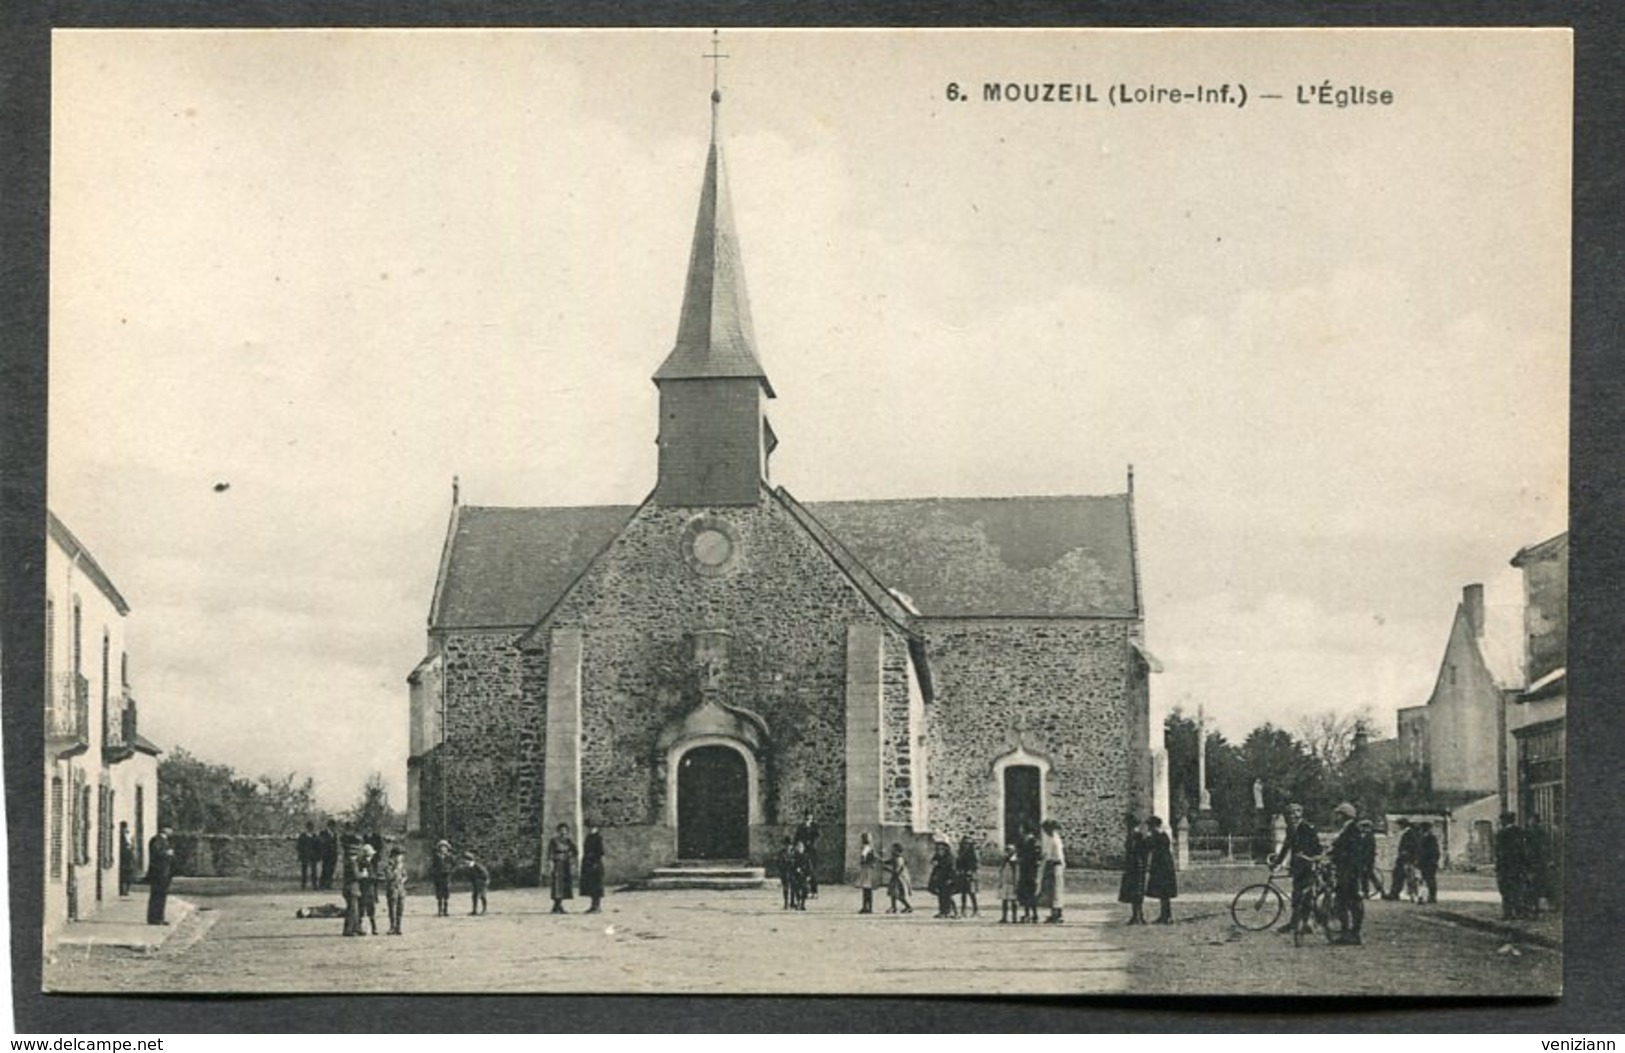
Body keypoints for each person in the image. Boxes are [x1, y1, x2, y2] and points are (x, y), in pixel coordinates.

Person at [1271, 802, 1322, 935]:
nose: (1292, 817)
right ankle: (1296, 923)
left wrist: (1308, 856)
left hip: (1308, 865)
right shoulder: (1291, 829)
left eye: (1295, 813)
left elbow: (1316, 847)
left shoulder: (1307, 828)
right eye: (1289, 814)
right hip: (1297, 866)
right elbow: (1287, 846)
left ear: (1300, 815)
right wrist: (1277, 861)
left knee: (1305, 895)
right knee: (1297, 895)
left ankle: (1307, 923)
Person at [1326, 802, 1366, 944]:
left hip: (1349, 872)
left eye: (1338, 814)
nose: (1336, 817)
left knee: (1349, 902)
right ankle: (1347, 932)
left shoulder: (1352, 830)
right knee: (1344, 902)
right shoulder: (1346, 829)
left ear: (1344, 815)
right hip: (1346, 871)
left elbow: (1351, 853)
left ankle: (1353, 933)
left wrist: (1335, 856)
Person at [1143, 816, 1177, 924]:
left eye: (1150, 826)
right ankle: (1165, 915)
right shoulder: (1163, 835)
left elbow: (1148, 846)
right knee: (1164, 894)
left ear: (1153, 826)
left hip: (1162, 867)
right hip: (1164, 865)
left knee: (1164, 893)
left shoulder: (1158, 836)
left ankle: (1166, 916)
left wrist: (1146, 837)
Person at [1117, 815, 1149, 925]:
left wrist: (1141, 864)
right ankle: (1136, 915)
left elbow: (1143, 853)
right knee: (1132, 892)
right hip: (1131, 868)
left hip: (1137, 868)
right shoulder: (1131, 836)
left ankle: (1139, 915)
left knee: (1137, 892)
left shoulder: (1138, 837)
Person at [1495, 812, 1527, 921]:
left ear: (1504, 821)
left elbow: (1500, 852)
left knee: (1506, 890)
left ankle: (1508, 913)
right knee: (1517, 889)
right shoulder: (1520, 832)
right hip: (1518, 866)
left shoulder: (1502, 833)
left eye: (1502, 820)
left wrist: (1499, 866)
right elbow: (1523, 850)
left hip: (1506, 867)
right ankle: (1519, 912)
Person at [145, 826, 175, 925]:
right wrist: (168, 853)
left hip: (164, 872)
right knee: (157, 895)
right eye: (170, 829)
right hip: (158, 872)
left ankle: (159, 917)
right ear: (165, 829)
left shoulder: (164, 840)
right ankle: (154, 918)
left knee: (161, 895)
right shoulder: (157, 840)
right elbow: (157, 853)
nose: (172, 831)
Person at [1039, 819, 1067, 924]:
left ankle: (1058, 914)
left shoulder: (1055, 840)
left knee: (1056, 890)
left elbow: (1058, 856)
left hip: (1055, 866)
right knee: (1051, 890)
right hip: (1052, 865)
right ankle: (1053, 913)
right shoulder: (1051, 839)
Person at [1384, 817, 1418, 901]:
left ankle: (1414, 895)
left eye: (1398, 825)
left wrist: (1406, 855)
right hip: (1403, 858)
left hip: (1406, 859)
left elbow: (1412, 846)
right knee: (1398, 876)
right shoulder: (1405, 833)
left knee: (1407, 877)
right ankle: (1394, 893)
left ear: (1402, 825)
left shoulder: (1409, 833)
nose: (1397, 827)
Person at [547, 823, 576, 914]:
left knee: (564, 885)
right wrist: (550, 862)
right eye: (561, 830)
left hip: (565, 864)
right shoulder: (554, 841)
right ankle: (557, 905)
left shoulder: (569, 841)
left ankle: (558, 906)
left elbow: (575, 851)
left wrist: (570, 857)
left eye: (565, 830)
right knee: (557, 885)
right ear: (558, 831)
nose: (563, 832)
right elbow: (550, 852)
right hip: (557, 864)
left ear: (567, 831)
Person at [1016, 824, 1042, 923]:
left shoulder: (1034, 842)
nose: (1020, 831)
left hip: (1030, 871)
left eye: (1021, 829)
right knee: (1024, 893)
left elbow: (1036, 857)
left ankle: (1034, 914)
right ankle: (1027, 914)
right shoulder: (1023, 841)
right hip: (1024, 871)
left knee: (1031, 893)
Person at [928, 840, 958, 918]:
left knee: (948, 896)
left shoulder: (950, 858)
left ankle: (954, 912)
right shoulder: (938, 856)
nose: (938, 851)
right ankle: (943, 911)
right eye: (937, 849)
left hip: (948, 878)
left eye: (940, 849)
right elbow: (933, 862)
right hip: (940, 878)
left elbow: (952, 869)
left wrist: (951, 879)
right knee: (941, 896)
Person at [580, 822, 606, 914]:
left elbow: (601, 852)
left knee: (597, 885)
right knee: (590, 886)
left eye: (593, 827)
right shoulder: (588, 838)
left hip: (596, 863)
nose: (591, 829)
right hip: (588, 863)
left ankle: (597, 906)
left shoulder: (598, 838)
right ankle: (592, 906)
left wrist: (596, 863)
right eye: (589, 827)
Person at [1356, 818, 1384, 899]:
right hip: (1365, 859)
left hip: (1367, 859)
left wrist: (1365, 859)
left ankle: (1367, 893)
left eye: (1362, 827)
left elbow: (1369, 850)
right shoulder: (1365, 836)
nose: (1361, 829)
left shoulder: (1369, 837)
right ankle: (1380, 890)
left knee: (1365, 876)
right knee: (1370, 876)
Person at [356, 844, 380, 936]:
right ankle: (363, 927)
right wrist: (374, 877)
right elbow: (367, 877)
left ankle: (373, 927)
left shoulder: (369, 863)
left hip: (370, 889)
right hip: (365, 889)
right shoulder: (363, 864)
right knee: (363, 909)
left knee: (371, 909)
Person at [955, 835, 981, 918]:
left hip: (970, 875)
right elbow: (958, 863)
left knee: (971, 893)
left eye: (968, 844)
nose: (966, 845)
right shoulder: (960, 852)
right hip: (962, 874)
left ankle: (976, 909)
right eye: (964, 843)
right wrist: (958, 870)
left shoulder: (973, 853)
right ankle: (963, 910)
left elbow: (976, 864)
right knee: (963, 893)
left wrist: (971, 871)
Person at [795, 814, 821, 897]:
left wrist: (812, 844)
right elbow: (797, 838)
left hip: (812, 852)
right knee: (803, 872)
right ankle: (806, 891)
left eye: (810, 818)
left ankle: (814, 891)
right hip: (803, 852)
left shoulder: (815, 827)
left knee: (812, 871)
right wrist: (799, 846)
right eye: (807, 818)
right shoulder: (801, 827)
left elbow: (817, 837)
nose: (808, 820)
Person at [385, 843, 408, 935]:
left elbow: (405, 876)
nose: (400, 858)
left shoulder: (402, 866)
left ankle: (398, 926)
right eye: (398, 855)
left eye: (401, 855)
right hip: (392, 888)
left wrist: (403, 880)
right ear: (393, 856)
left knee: (400, 908)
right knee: (392, 908)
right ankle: (392, 926)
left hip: (401, 889)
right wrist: (395, 870)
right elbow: (389, 876)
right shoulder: (389, 865)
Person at [884, 842, 913, 914]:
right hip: (896, 879)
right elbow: (888, 862)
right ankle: (894, 907)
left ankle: (908, 907)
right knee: (893, 894)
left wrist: (886, 869)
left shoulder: (899, 859)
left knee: (899, 895)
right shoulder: (895, 858)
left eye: (893, 849)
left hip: (900, 879)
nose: (891, 850)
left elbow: (896, 871)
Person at [1417, 821, 1441, 905]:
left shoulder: (1431, 838)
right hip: (1423, 862)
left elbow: (1434, 851)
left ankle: (1432, 897)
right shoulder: (1422, 838)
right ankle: (1422, 897)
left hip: (1429, 862)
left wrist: (1433, 860)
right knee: (1423, 880)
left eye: (1421, 829)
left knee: (1430, 880)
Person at [855, 832, 879, 914]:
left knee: (866, 888)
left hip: (866, 869)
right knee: (868, 889)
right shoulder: (871, 848)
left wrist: (862, 862)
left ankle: (866, 907)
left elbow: (863, 856)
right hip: (869, 868)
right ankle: (868, 907)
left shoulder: (866, 848)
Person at [430, 839, 455, 916]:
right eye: (441, 847)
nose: (443, 849)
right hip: (439, 877)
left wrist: (450, 871)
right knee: (439, 894)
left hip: (446, 877)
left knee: (446, 894)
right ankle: (439, 910)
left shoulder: (450, 856)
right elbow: (433, 866)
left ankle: (446, 910)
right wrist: (435, 873)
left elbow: (454, 865)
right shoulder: (436, 856)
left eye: (445, 847)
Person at [996, 844, 1020, 923]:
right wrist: (1000, 881)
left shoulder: (1015, 861)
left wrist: (1016, 883)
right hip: (1005, 881)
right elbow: (1001, 870)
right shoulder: (1004, 860)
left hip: (1012, 882)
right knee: (1004, 900)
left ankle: (1014, 917)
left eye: (1010, 850)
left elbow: (1016, 872)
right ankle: (1004, 917)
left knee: (1013, 901)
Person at [463, 851, 490, 916]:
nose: (465, 862)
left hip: (482, 882)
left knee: (482, 896)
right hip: (475, 883)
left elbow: (485, 873)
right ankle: (474, 910)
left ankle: (484, 910)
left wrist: (485, 881)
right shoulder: (469, 867)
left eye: (466, 860)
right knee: (474, 896)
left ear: (469, 860)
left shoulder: (477, 865)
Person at [788, 841, 812, 910]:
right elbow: (791, 866)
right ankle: (798, 902)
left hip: (803, 875)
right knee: (797, 890)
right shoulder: (794, 856)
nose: (799, 849)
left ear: (803, 849)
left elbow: (809, 866)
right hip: (796, 876)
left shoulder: (806, 857)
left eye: (801, 847)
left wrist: (809, 875)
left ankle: (803, 903)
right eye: (798, 847)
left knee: (805, 889)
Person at [296, 821, 318, 891]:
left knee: (314, 871)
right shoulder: (302, 836)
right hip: (305, 855)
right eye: (309, 827)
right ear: (307, 828)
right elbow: (299, 846)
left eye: (311, 827)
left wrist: (317, 854)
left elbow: (318, 847)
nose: (310, 828)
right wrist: (301, 853)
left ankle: (314, 885)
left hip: (313, 856)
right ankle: (303, 885)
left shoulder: (315, 836)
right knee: (304, 871)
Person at [776, 836, 796, 910]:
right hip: (785, 872)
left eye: (790, 845)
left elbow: (797, 861)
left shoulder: (794, 853)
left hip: (793, 872)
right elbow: (778, 863)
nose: (788, 846)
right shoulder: (781, 853)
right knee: (786, 888)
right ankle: (786, 903)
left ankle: (792, 902)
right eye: (786, 845)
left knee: (794, 888)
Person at [117, 821, 136, 897]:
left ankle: (126, 890)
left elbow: (131, 845)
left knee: (128, 875)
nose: (125, 829)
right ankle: (123, 890)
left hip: (129, 859)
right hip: (124, 859)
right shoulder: (121, 837)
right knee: (124, 875)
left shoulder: (128, 835)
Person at [318, 820, 338, 891]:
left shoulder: (334, 834)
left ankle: (329, 884)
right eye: (332, 826)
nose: (333, 827)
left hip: (333, 855)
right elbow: (321, 843)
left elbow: (335, 844)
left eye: (334, 826)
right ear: (329, 826)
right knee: (325, 870)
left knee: (331, 870)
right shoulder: (323, 833)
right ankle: (322, 885)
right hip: (326, 854)